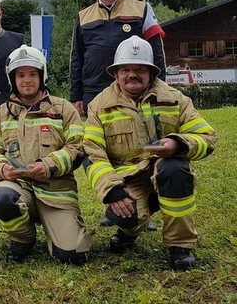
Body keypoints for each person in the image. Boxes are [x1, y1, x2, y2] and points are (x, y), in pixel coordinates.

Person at [83, 36, 218, 271]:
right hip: (127, 179)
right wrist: (113, 190)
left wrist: (178, 144)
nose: (132, 74)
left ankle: (180, 246)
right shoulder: (99, 105)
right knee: (126, 215)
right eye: (125, 69)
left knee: (174, 168)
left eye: (139, 69)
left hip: (164, 169)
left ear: (151, 73)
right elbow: (92, 154)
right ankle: (128, 230)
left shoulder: (175, 99)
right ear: (116, 73)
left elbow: (207, 137)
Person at [70, 0, 167, 229]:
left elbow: (157, 51)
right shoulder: (83, 15)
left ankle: (143, 201)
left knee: (137, 147)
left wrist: (159, 87)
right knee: (100, 152)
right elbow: (76, 58)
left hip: (136, 91)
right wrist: (76, 95)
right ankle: (116, 199)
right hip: (93, 93)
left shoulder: (141, 8)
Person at [0, 45, 92, 264]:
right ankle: (23, 239)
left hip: (56, 191)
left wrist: (50, 165)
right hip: (19, 187)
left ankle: (61, 232)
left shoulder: (64, 109)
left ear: (42, 75)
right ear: (12, 79)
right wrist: (2, 168)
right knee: (1, 198)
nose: (27, 80)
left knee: (71, 256)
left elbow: (77, 146)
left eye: (33, 74)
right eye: (20, 75)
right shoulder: (0, 114)